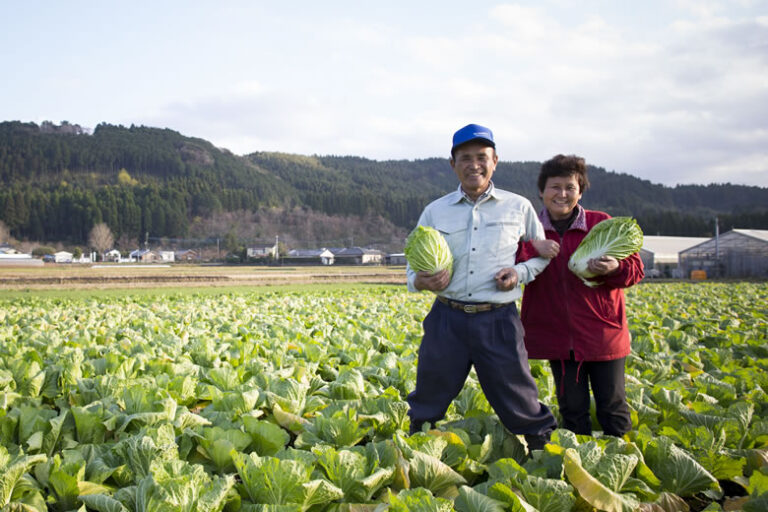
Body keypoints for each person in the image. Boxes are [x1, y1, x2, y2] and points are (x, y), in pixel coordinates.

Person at [405, 123, 557, 450]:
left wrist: (520, 273)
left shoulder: (518, 207)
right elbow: (412, 263)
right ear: (453, 164)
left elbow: (542, 253)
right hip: (447, 317)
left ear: (495, 161)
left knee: (518, 394)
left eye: (481, 157)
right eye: (465, 158)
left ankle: (543, 452)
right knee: (429, 392)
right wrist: (420, 280)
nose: (474, 164)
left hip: (498, 318)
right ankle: (414, 452)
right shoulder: (435, 211)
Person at [517, 154, 644, 437]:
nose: (562, 194)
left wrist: (615, 267)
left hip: (603, 334)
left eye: (570, 188)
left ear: (580, 191)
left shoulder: (602, 224)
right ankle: (581, 471)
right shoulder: (528, 230)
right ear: (541, 191)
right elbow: (508, 260)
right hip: (557, 338)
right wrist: (533, 248)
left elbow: (635, 270)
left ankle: (623, 468)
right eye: (555, 187)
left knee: (613, 406)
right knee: (572, 410)